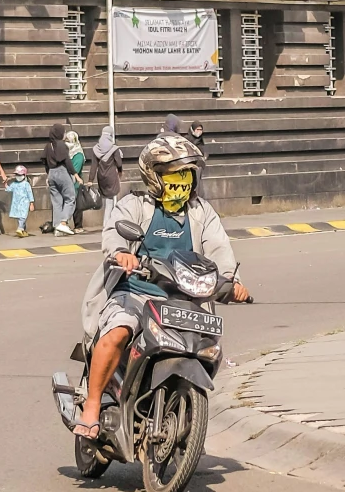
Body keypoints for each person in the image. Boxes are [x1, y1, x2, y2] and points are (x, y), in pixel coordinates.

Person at [72, 134, 251, 436]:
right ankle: (91, 405)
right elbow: (115, 235)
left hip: (186, 302)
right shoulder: (135, 204)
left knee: (207, 350)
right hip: (137, 295)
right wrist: (121, 254)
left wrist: (231, 282)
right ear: (154, 176)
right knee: (116, 334)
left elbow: (220, 250)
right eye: (174, 175)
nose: (182, 182)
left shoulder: (201, 211)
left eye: (187, 175)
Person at [43, 122, 77, 234]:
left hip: (51, 173)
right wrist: (75, 174)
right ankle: (63, 223)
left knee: (56, 201)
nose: (65, 134)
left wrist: (48, 174)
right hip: (61, 171)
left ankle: (57, 228)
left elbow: (44, 161)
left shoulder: (48, 146)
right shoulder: (61, 145)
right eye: (64, 132)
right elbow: (67, 160)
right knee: (70, 197)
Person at [91, 125, 125, 204]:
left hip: (101, 177)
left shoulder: (96, 149)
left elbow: (93, 166)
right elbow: (119, 163)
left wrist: (90, 180)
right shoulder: (114, 149)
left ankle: (106, 214)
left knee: (104, 198)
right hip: (111, 176)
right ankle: (107, 216)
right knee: (110, 200)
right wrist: (120, 172)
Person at [7, 163, 35, 237]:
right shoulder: (14, 184)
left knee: (23, 216)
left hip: (24, 203)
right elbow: (9, 189)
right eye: (17, 175)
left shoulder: (26, 184)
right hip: (16, 203)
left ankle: (20, 228)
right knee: (20, 217)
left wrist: (31, 203)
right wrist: (5, 183)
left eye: (20, 175)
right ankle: (23, 230)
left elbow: (30, 194)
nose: (18, 177)